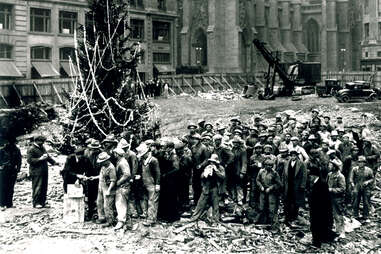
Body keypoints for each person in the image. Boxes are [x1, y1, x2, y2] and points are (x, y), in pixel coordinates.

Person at [309, 159, 337, 248]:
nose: (309, 177)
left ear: (314, 175)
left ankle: (317, 243)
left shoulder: (322, 183)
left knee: (317, 225)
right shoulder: (316, 182)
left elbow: (325, 198)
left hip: (320, 209)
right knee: (317, 225)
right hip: (316, 208)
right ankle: (321, 239)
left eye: (310, 175)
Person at [189, 154, 225, 224]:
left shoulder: (220, 168)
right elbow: (202, 176)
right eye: (211, 162)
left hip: (215, 189)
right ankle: (194, 218)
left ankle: (215, 220)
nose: (212, 163)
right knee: (200, 204)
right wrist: (206, 172)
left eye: (213, 162)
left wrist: (216, 171)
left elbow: (223, 177)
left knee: (215, 206)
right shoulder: (208, 167)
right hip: (206, 188)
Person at [27, 135, 57, 208]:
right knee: (37, 186)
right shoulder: (31, 149)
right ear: (36, 141)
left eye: (43, 141)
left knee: (44, 186)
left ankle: (42, 202)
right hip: (36, 171)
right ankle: (36, 203)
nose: (43, 143)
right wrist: (40, 159)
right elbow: (29, 160)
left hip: (44, 170)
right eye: (41, 141)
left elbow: (47, 156)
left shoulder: (42, 147)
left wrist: (54, 162)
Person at [136, 143, 161, 226]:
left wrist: (157, 184)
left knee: (152, 202)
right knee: (145, 200)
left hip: (152, 184)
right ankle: (147, 215)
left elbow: (158, 173)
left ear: (147, 153)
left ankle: (151, 219)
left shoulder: (153, 160)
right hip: (145, 183)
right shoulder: (142, 160)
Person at [283, 149, 307, 225]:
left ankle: (294, 216)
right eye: (292, 155)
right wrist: (283, 184)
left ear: (297, 156)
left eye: (295, 155)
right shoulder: (286, 163)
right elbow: (283, 174)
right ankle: (287, 217)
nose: (293, 157)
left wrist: (302, 185)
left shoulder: (301, 164)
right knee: (287, 201)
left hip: (297, 185)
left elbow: (304, 175)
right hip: (288, 185)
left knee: (295, 201)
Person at [255, 159, 281, 228]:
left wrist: (271, 188)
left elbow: (278, 184)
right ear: (265, 165)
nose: (269, 167)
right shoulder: (261, 171)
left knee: (271, 207)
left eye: (270, 165)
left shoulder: (275, 173)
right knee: (261, 206)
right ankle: (260, 220)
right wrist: (261, 186)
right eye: (267, 165)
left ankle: (272, 222)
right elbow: (257, 180)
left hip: (271, 192)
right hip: (263, 191)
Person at [93, 152, 117, 227]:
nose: (101, 163)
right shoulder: (103, 166)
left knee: (107, 205)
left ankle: (110, 220)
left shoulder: (111, 168)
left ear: (106, 160)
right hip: (101, 186)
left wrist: (109, 190)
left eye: (102, 162)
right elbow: (101, 175)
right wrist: (94, 177)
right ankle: (102, 217)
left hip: (107, 187)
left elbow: (113, 180)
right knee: (99, 202)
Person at [349, 156, 375, 221]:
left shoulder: (369, 170)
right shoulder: (354, 169)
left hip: (366, 187)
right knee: (355, 201)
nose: (360, 163)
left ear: (364, 163)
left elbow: (372, 178)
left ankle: (366, 215)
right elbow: (351, 178)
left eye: (362, 162)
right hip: (357, 185)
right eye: (359, 162)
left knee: (366, 202)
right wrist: (352, 184)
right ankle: (355, 215)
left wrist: (367, 182)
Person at [113, 148, 132, 230]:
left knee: (120, 204)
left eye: (115, 153)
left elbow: (127, 174)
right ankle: (127, 222)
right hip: (123, 186)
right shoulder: (120, 161)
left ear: (118, 154)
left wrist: (118, 182)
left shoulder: (123, 162)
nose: (114, 155)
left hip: (123, 186)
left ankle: (121, 221)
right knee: (122, 204)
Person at [0, 136, 21, 209]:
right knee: (3, 187)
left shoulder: (17, 150)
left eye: (13, 142)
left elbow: (19, 160)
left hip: (13, 170)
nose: (11, 144)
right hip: (4, 171)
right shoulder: (2, 150)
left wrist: (18, 169)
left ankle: (9, 204)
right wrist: (1, 166)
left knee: (11, 188)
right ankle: (2, 204)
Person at [327, 161, 346, 238]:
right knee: (329, 215)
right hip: (329, 198)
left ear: (334, 167)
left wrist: (331, 189)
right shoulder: (329, 174)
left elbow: (342, 189)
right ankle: (332, 230)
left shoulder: (340, 176)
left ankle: (341, 232)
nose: (329, 167)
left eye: (330, 165)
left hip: (337, 199)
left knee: (338, 215)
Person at [190, 133, 210, 205]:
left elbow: (207, 159)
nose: (194, 140)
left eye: (196, 139)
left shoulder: (204, 148)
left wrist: (201, 165)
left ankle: (203, 201)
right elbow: (192, 157)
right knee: (195, 185)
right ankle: (196, 200)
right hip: (195, 169)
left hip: (202, 169)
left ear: (199, 140)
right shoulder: (193, 147)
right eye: (193, 139)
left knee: (202, 185)